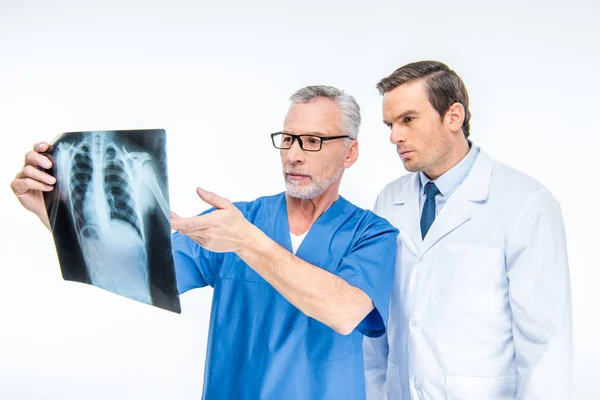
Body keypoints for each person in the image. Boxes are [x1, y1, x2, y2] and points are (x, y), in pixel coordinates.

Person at [11, 85, 398, 399]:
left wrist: (249, 244)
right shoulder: (237, 220)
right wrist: (56, 215)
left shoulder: (371, 234)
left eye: (312, 141)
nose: (293, 155)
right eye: (288, 139)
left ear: (350, 152)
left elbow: (345, 311)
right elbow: (144, 270)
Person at [363, 60, 573, 400]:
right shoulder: (389, 200)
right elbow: (377, 331)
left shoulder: (525, 203)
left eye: (408, 120)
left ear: (453, 116)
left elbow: (545, 347)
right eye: (390, 124)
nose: (394, 136)